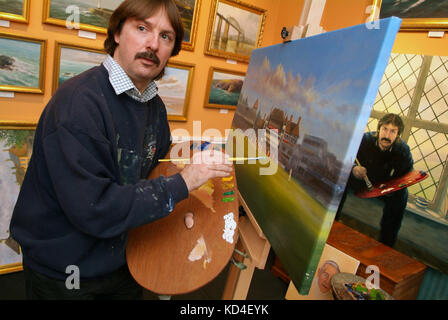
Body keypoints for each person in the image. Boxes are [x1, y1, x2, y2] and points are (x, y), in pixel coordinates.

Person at [9, 0, 232, 300]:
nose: (153, 44)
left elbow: (155, 165)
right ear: (117, 32)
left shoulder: (154, 106)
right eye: (142, 28)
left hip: (126, 263)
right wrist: (184, 182)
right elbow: (94, 208)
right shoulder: (79, 104)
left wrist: (194, 156)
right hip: (68, 275)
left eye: (166, 37)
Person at [336, 113, 413, 248]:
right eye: (385, 129)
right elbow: (346, 158)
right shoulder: (364, 140)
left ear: (398, 135)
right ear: (378, 129)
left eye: (393, 131)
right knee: (340, 178)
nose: (387, 135)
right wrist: (354, 169)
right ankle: (331, 222)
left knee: (401, 196)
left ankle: (386, 244)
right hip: (361, 180)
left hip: (386, 188)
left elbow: (406, 176)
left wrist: (393, 187)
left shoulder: (403, 151)